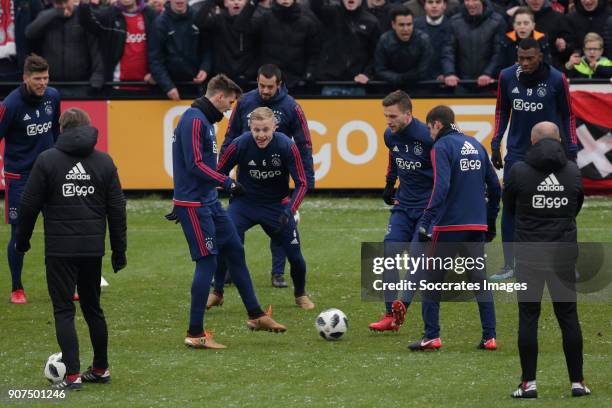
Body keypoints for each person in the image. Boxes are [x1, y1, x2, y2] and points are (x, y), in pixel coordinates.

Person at [14, 107, 127, 391]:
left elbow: (29, 205)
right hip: (91, 249)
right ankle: (100, 368)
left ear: (61, 129)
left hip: (59, 249)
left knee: (64, 309)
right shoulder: (103, 161)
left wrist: (22, 241)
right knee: (93, 308)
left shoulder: (47, 160)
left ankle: (72, 375)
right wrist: (118, 250)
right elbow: (117, 209)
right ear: (88, 128)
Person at [170, 74, 286, 349]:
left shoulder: (204, 120)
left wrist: (220, 185)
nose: (229, 108)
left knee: (234, 247)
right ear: (219, 96)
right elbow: (195, 164)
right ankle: (195, 333)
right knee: (207, 262)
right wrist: (227, 182)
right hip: (195, 204)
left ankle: (256, 315)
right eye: (229, 102)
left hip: (207, 200)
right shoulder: (194, 120)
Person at [503, 121, 590, 399]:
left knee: (528, 316)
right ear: (560, 140)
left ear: (532, 140)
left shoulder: (518, 171)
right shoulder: (573, 171)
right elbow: (575, 207)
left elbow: (510, 207)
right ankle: (578, 383)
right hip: (563, 254)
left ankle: (528, 384)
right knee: (568, 317)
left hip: (529, 254)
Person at [410, 105, 500, 351]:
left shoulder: (441, 147)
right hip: (476, 225)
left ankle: (431, 336)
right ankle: (490, 337)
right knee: (479, 282)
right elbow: (495, 187)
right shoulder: (475, 144)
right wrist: (490, 222)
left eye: (430, 128)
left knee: (431, 282)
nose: (429, 134)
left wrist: (426, 220)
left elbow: (441, 186)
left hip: (450, 226)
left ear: (437, 124)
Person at [490, 37, 577, 281]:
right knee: (510, 206)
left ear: (540, 55)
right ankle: (509, 265)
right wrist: (496, 143)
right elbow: (501, 111)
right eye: (521, 58)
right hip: (517, 153)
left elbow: (568, 114)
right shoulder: (507, 76)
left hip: (551, 152)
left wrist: (571, 147)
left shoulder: (557, 78)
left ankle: (567, 261)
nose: (525, 63)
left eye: (529, 58)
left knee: (560, 206)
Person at [222, 64, 314, 288]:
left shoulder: (292, 107)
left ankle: (278, 273)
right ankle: (231, 271)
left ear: (279, 85)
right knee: (233, 226)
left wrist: (307, 179)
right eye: (261, 85)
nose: (264, 90)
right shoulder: (244, 102)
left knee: (280, 228)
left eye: (269, 87)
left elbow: (303, 143)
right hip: (247, 178)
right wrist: (222, 170)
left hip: (277, 181)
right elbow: (231, 134)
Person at [212, 106, 314, 309]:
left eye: (265, 130)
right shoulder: (238, 144)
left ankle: (300, 294)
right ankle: (217, 292)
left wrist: (290, 210)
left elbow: (302, 182)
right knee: (223, 241)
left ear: (275, 127)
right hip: (244, 205)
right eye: (256, 130)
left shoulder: (286, 146)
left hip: (277, 207)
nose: (260, 135)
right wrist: (228, 185)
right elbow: (217, 173)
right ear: (249, 127)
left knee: (295, 256)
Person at [368, 90, 434, 332]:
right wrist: (389, 182)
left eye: (393, 116)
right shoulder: (390, 135)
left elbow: (444, 168)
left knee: (417, 260)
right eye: (386, 115)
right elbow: (394, 157)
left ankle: (401, 307)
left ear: (408, 114)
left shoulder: (428, 137)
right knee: (389, 254)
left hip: (428, 208)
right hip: (403, 206)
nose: (388, 121)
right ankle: (389, 315)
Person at [0, 54, 60, 304]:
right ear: (25, 78)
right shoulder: (10, 105)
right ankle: (17, 287)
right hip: (21, 177)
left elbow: (56, 131)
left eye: (45, 78)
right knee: (19, 233)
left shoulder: (53, 96)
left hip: (49, 174)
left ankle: (63, 286)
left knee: (58, 232)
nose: (42, 83)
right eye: (37, 79)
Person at [25, 0, 105, 97]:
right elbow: (30, 33)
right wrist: (55, 13)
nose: (63, 6)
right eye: (59, 3)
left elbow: (95, 49)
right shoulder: (45, 16)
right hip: (50, 84)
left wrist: (96, 80)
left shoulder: (83, 16)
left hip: (80, 85)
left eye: (66, 2)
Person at [234, 0, 320, 89]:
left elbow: (314, 53)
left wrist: (308, 76)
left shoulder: (307, 22)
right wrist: (252, 2)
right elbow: (241, 26)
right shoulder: (264, 19)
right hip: (268, 82)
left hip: (296, 83)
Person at [78, 0, 159, 91]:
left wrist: (156, 73)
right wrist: (84, 4)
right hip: (117, 85)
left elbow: (163, 47)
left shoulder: (151, 15)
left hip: (148, 85)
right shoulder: (109, 15)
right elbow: (88, 23)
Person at [310, 0, 380, 96]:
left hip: (357, 85)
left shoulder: (371, 22)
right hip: (331, 83)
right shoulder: (331, 13)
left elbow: (376, 54)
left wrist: (367, 74)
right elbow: (315, 6)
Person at [149, 0, 212, 100]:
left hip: (197, 88)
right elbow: (155, 60)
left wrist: (205, 68)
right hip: (169, 90)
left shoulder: (198, 18)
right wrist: (168, 86)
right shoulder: (160, 23)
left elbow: (207, 49)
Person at [441, 0, 506, 90]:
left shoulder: (497, 21)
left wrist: (488, 73)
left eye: (474, 0)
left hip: (489, 84)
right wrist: (449, 73)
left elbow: (499, 53)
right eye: (467, 0)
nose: (470, 4)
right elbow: (448, 51)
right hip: (461, 84)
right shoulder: (454, 21)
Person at [195, 0, 258, 88]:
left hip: (247, 81)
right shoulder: (218, 20)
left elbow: (258, 52)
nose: (236, 2)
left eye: (240, 0)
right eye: (232, 0)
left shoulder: (254, 22)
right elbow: (199, 22)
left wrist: (247, 75)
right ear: (225, 3)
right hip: (222, 80)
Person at [374, 6, 432, 87]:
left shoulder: (423, 39)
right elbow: (380, 70)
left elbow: (424, 69)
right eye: (401, 25)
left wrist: (409, 78)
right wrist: (399, 79)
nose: (406, 29)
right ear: (393, 25)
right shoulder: (384, 40)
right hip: (390, 88)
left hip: (418, 88)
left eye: (409, 24)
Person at [414, 0, 453, 81]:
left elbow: (453, 54)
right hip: (419, 81)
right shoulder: (414, 25)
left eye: (438, 2)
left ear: (444, 5)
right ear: (424, 5)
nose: (434, 6)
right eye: (430, 2)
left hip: (445, 81)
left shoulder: (452, 25)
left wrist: (447, 73)